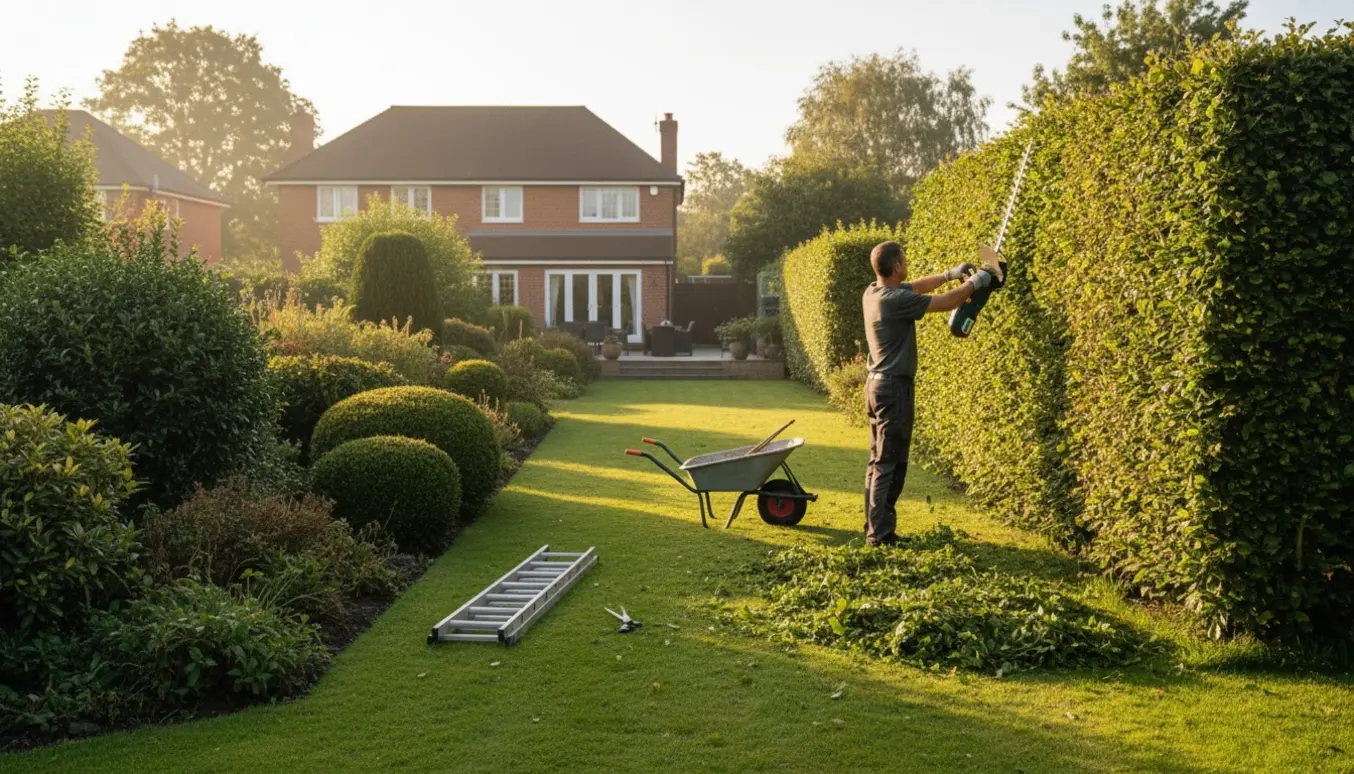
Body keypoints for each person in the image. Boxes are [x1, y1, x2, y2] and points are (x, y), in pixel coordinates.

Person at [861, 240, 1001, 546]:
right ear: (896, 266)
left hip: (875, 385)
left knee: (877, 460)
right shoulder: (893, 301)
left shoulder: (873, 292)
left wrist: (952, 273)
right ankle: (880, 535)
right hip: (894, 388)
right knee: (889, 462)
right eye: (904, 260)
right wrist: (978, 281)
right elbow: (945, 303)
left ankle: (874, 527)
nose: (907, 264)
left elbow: (918, 286)